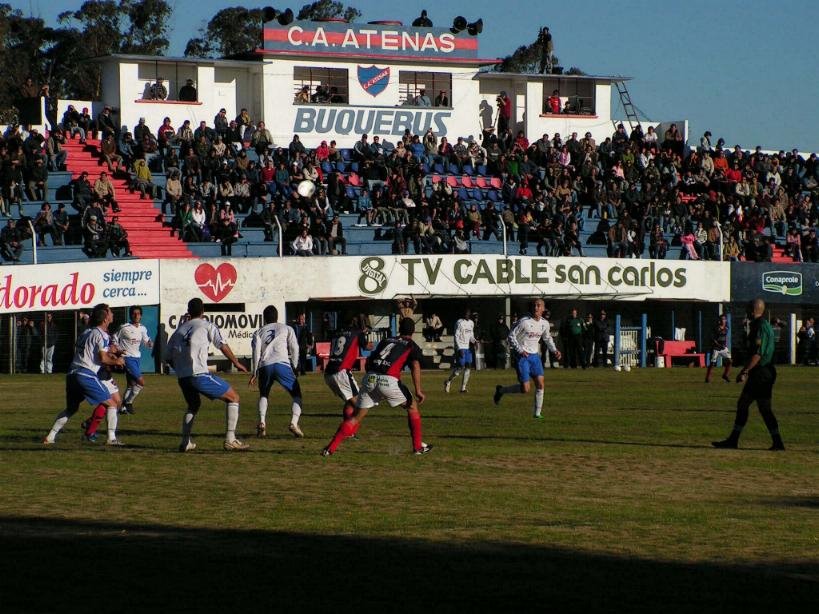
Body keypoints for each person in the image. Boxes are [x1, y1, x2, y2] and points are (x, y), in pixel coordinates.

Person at [321, 317, 431, 456]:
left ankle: (329, 449)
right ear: (413, 331)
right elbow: (415, 365)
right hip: (389, 380)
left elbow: (369, 360)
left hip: (370, 377)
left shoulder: (386, 340)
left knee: (356, 416)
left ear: (399, 328)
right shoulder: (411, 344)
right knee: (412, 406)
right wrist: (418, 390)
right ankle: (417, 447)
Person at [166, 298, 249, 452]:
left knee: (193, 405)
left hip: (183, 378)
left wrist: (180, 368)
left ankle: (185, 442)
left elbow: (168, 357)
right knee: (234, 398)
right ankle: (230, 439)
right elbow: (222, 345)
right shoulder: (207, 325)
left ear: (188, 311)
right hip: (199, 375)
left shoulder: (179, 330)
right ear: (203, 311)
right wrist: (236, 362)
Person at [42, 303, 125, 446]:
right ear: (105, 318)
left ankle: (50, 437)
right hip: (85, 374)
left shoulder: (86, 332)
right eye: (110, 312)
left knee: (71, 408)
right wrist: (117, 360)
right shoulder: (102, 335)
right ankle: (111, 438)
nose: (112, 314)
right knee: (112, 403)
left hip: (72, 374)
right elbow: (103, 358)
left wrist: (111, 353)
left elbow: (89, 351)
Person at [712, 299, 785, 451]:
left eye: (747, 309)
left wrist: (745, 371)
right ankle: (777, 441)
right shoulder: (763, 325)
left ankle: (734, 440)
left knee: (745, 404)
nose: (745, 311)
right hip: (766, 371)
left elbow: (758, 354)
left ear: (752, 310)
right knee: (763, 408)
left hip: (761, 372)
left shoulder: (759, 326)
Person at [493, 298, 562, 419]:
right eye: (534, 305)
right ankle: (501, 390)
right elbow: (511, 336)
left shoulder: (544, 324)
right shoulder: (524, 322)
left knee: (540, 384)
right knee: (525, 389)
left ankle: (537, 414)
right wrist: (520, 350)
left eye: (538, 305)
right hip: (522, 357)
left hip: (535, 357)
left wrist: (554, 350)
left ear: (543, 309)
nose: (536, 307)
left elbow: (547, 338)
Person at [250, 305, 304, 439]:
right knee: (297, 395)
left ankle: (262, 422)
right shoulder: (286, 328)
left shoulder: (259, 331)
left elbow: (256, 352)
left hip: (265, 366)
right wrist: (295, 366)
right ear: (277, 316)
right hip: (282, 364)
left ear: (265, 318)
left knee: (264, 394)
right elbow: (294, 347)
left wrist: (254, 372)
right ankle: (294, 423)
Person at [324, 316, 370, 426]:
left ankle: (349, 432)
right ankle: (347, 431)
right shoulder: (357, 332)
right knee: (360, 405)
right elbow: (367, 347)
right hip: (341, 371)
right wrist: (370, 342)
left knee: (350, 402)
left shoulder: (336, 332)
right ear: (354, 320)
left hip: (329, 373)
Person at [114, 306, 153, 415]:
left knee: (131, 384)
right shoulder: (124, 327)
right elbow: (114, 338)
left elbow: (146, 340)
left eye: (138, 314)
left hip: (137, 358)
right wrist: (119, 351)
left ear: (141, 315)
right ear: (131, 315)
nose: (136, 316)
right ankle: (128, 402)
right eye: (134, 314)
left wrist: (149, 343)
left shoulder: (142, 328)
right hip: (127, 358)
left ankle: (122, 408)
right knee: (141, 382)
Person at [444, 308, 477, 393]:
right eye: (465, 313)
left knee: (468, 366)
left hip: (468, 347)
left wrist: (475, 341)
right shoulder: (459, 323)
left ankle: (463, 388)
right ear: (463, 314)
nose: (467, 315)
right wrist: (459, 348)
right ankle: (448, 381)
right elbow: (456, 336)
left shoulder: (471, 323)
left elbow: (471, 336)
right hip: (461, 347)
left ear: (470, 314)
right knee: (460, 367)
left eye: (468, 313)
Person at [705, 314, 732, 383]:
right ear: (719, 320)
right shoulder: (716, 328)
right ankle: (708, 378)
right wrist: (719, 345)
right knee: (712, 363)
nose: (723, 320)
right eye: (722, 319)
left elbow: (724, 337)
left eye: (724, 319)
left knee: (730, 361)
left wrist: (724, 345)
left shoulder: (726, 328)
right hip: (716, 348)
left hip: (723, 347)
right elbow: (713, 339)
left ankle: (725, 375)